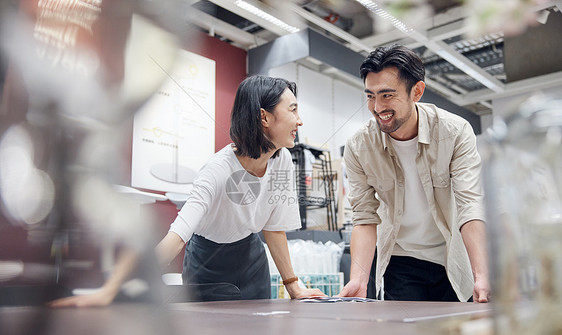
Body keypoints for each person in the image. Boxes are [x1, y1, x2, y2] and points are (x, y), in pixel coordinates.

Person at [49, 75, 326, 307]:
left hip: (253, 262)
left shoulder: (283, 160)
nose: (300, 121)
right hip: (208, 265)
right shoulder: (217, 171)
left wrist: (293, 286)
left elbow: (274, 228)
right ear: (264, 117)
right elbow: (177, 237)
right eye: (292, 110)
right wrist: (111, 290)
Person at [337, 45, 490, 303]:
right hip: (401, 259)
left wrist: (482, 274)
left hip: (452, 258)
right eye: (370, 96)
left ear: (416, 92)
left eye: (387, 95)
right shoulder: (359, 146)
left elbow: (470, 204)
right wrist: (359, 279)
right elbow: (364, 217)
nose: (377, 107)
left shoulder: (455, 132)